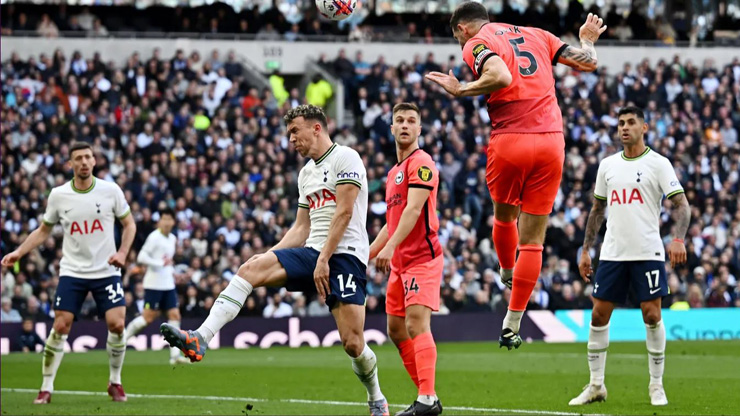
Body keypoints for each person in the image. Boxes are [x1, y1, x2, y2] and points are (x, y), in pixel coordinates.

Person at [160, 105, 389, 416]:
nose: (290, 139)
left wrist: (324, 259)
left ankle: (376, 397)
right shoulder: (306, 174)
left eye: (295, 131)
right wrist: (271, 253)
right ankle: (201, 337)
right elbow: (301, 227)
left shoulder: (346, 157)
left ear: (316, 128)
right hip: (313, 254)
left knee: (352, 342)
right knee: (250, 269)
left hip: (345, 256)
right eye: (288, 134)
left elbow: (345, 213)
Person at [425, 2, 607, 349]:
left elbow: (501, 76)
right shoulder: (537, 34)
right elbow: (589, 62)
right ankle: (513, 320)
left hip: (511, 137)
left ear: (462, 28)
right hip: (552, 141)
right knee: (534, 240)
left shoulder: (476, 41)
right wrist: (587, 40)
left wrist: (461, 88)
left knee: (505, 217)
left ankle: (507, 271)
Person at [569, 106, 690, 406]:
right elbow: (597, 210)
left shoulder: (659, 164)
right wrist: (586, 250)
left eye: (631, 122)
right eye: (621, 123)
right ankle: (596, 385)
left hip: (647, 251)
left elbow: (682, 205)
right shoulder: (608, 165)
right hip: (612, 253)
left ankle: (656, 386)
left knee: (652, 314)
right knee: (599, 314)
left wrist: (678, 239)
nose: (624, 127)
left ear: (644, 127)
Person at [1, 141, 136, 404]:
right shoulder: (59, 195)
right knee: (61, 325)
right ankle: (46, 386)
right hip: (73, 271)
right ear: (71, 164)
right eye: (78, 158)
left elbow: (129, 224)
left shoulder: (111, 190)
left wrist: (122, 253)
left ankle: (115, 381)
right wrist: (19, 251)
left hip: (106, 270)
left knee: (117, 324)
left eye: (88, 157)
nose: (84, 162)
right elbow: (43, 230)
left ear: (94, 161)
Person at [369, 102, 443, 415]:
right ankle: (428, 397)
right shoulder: (392, 173)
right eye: (399, 120)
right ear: (391, 128)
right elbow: (393, 218)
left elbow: (414, 210)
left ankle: (426, 399)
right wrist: (368, 252)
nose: (404, 125)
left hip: (422, 258)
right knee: (396, 329)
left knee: (415, 324)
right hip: (399, 264)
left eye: (411, 121)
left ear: (419, 129)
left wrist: (388, 249)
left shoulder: (422, 162)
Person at [124, 208, 188, 365]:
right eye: (163, 219)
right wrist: (158, 263)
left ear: (173, 222)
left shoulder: (173, 238)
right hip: (154, 284)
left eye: (169, 219)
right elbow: (141, 257)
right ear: (159, 221)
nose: (166, 222)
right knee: (148, 318)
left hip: (168, 284)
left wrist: (173, 273)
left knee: (175, 316)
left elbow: (168, 261)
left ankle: (175, 357)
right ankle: (120, 341)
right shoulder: (154, 238)